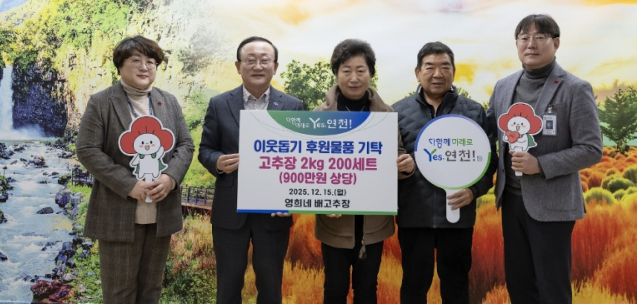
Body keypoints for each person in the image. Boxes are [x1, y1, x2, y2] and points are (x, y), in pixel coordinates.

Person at [487, 14, 602, 304]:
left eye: (540, 37)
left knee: (552, 289)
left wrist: (540, 165)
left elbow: (591, 148)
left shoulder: (575, 88)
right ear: (516, 44)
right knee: (519, 285)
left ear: (556, 43)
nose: (531, 44)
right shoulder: (503, 87)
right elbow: (487, 130)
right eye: (524, 38)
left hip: (553, 205)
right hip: (511, 201)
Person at [76, 36, 194, 304]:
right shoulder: (101, 102)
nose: (145, 67)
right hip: (118, 211)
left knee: (151, 288)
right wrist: (129, 184)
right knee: (119, 292)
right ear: (120, 65)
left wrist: (170, 177)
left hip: (161, 211)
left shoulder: (168, 101)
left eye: (151, 62)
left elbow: (186, 144)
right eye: (136, 60)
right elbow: (87, 149)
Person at [198, 36, 304, 304]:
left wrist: (291, 197)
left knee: (270, 285)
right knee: (228, 284)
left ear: (275, 66)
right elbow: (206, 149)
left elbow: (301, 158)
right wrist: (217, 162)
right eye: (250, 60)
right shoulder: (219, 104)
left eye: (264, 60)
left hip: (274, 210)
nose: (258, 66)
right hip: (230, 209)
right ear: (238, 66)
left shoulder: (293, 106)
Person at [392, 41, 496, 304]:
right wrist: (399, 167)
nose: (437, 74)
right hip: (414, 216)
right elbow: (385, 163)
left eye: (444, 67)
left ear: (454, 71)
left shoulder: (473, 111)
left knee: (456, 284)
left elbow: (489, 161)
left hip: (457, 216)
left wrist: (473, 191)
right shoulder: (397, 112)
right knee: (414, 285)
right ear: (418, 72)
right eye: (430, 67)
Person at [314, 39, 415, 304]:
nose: (354, 78)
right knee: (334, 289)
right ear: (336, 73)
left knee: (368, 289)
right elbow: (310, 168)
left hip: (373, 224)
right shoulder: (318, 117)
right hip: (334, 224)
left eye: (361, 70)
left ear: (371, 73)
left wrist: (405, 166)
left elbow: (397, 155)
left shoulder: (386, 115)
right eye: (346, 70)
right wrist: (322, 201)